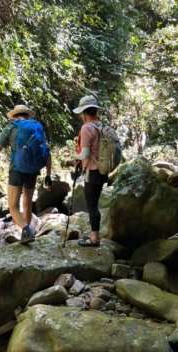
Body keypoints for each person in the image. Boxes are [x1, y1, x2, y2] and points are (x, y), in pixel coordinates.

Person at [0, 104, 52, 243]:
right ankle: (28, 234)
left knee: (13, 206)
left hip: (16, 171)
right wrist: (48, 174)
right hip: (33, 171)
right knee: (27, 204)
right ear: (27, 115)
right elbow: (47, 151)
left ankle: (27, 230)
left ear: (13, 116)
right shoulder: (37, 127)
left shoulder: (10, 127)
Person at [72, 94, 108, 247]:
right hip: (102, 169)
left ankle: (94, 238)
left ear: (83, 113)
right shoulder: (100, 125)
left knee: (92, 206)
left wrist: (74, 158)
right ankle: (95, 234)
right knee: (94, 204)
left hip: (92, 170)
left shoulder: (87, 127)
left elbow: (85, 153)